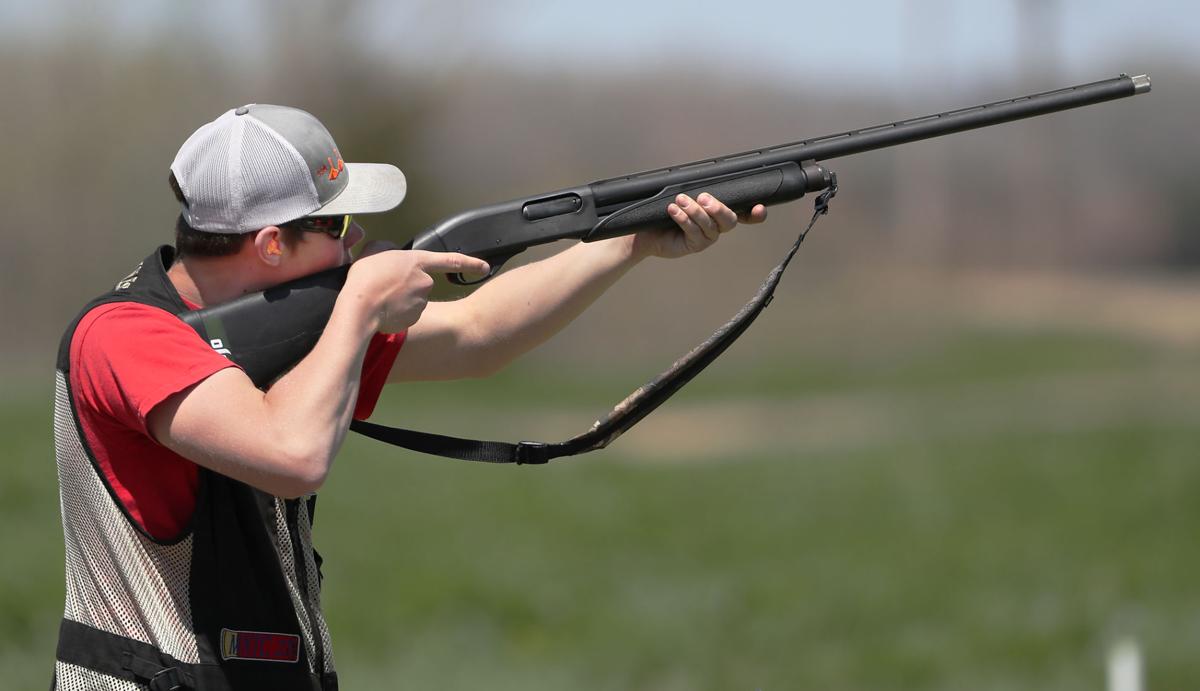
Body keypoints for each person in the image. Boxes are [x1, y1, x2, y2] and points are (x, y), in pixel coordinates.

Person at [51, 104, 766, 690]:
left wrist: (630, 241)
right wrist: (361, 301)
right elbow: (290, 453)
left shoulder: (296, 338)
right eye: (337, 227)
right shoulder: (121, 336)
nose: (357, 239)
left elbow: (480, 333)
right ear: (271, 245)